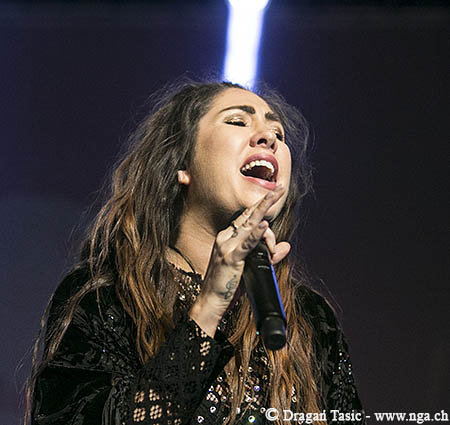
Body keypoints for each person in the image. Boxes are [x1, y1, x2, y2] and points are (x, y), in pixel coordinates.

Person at [26, 80, 365, 425]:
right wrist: (210, 305)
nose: (269, 138)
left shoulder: (310, 319)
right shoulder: (107, 299)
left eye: (278, 133)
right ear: (183, 164)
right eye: (237, 121)